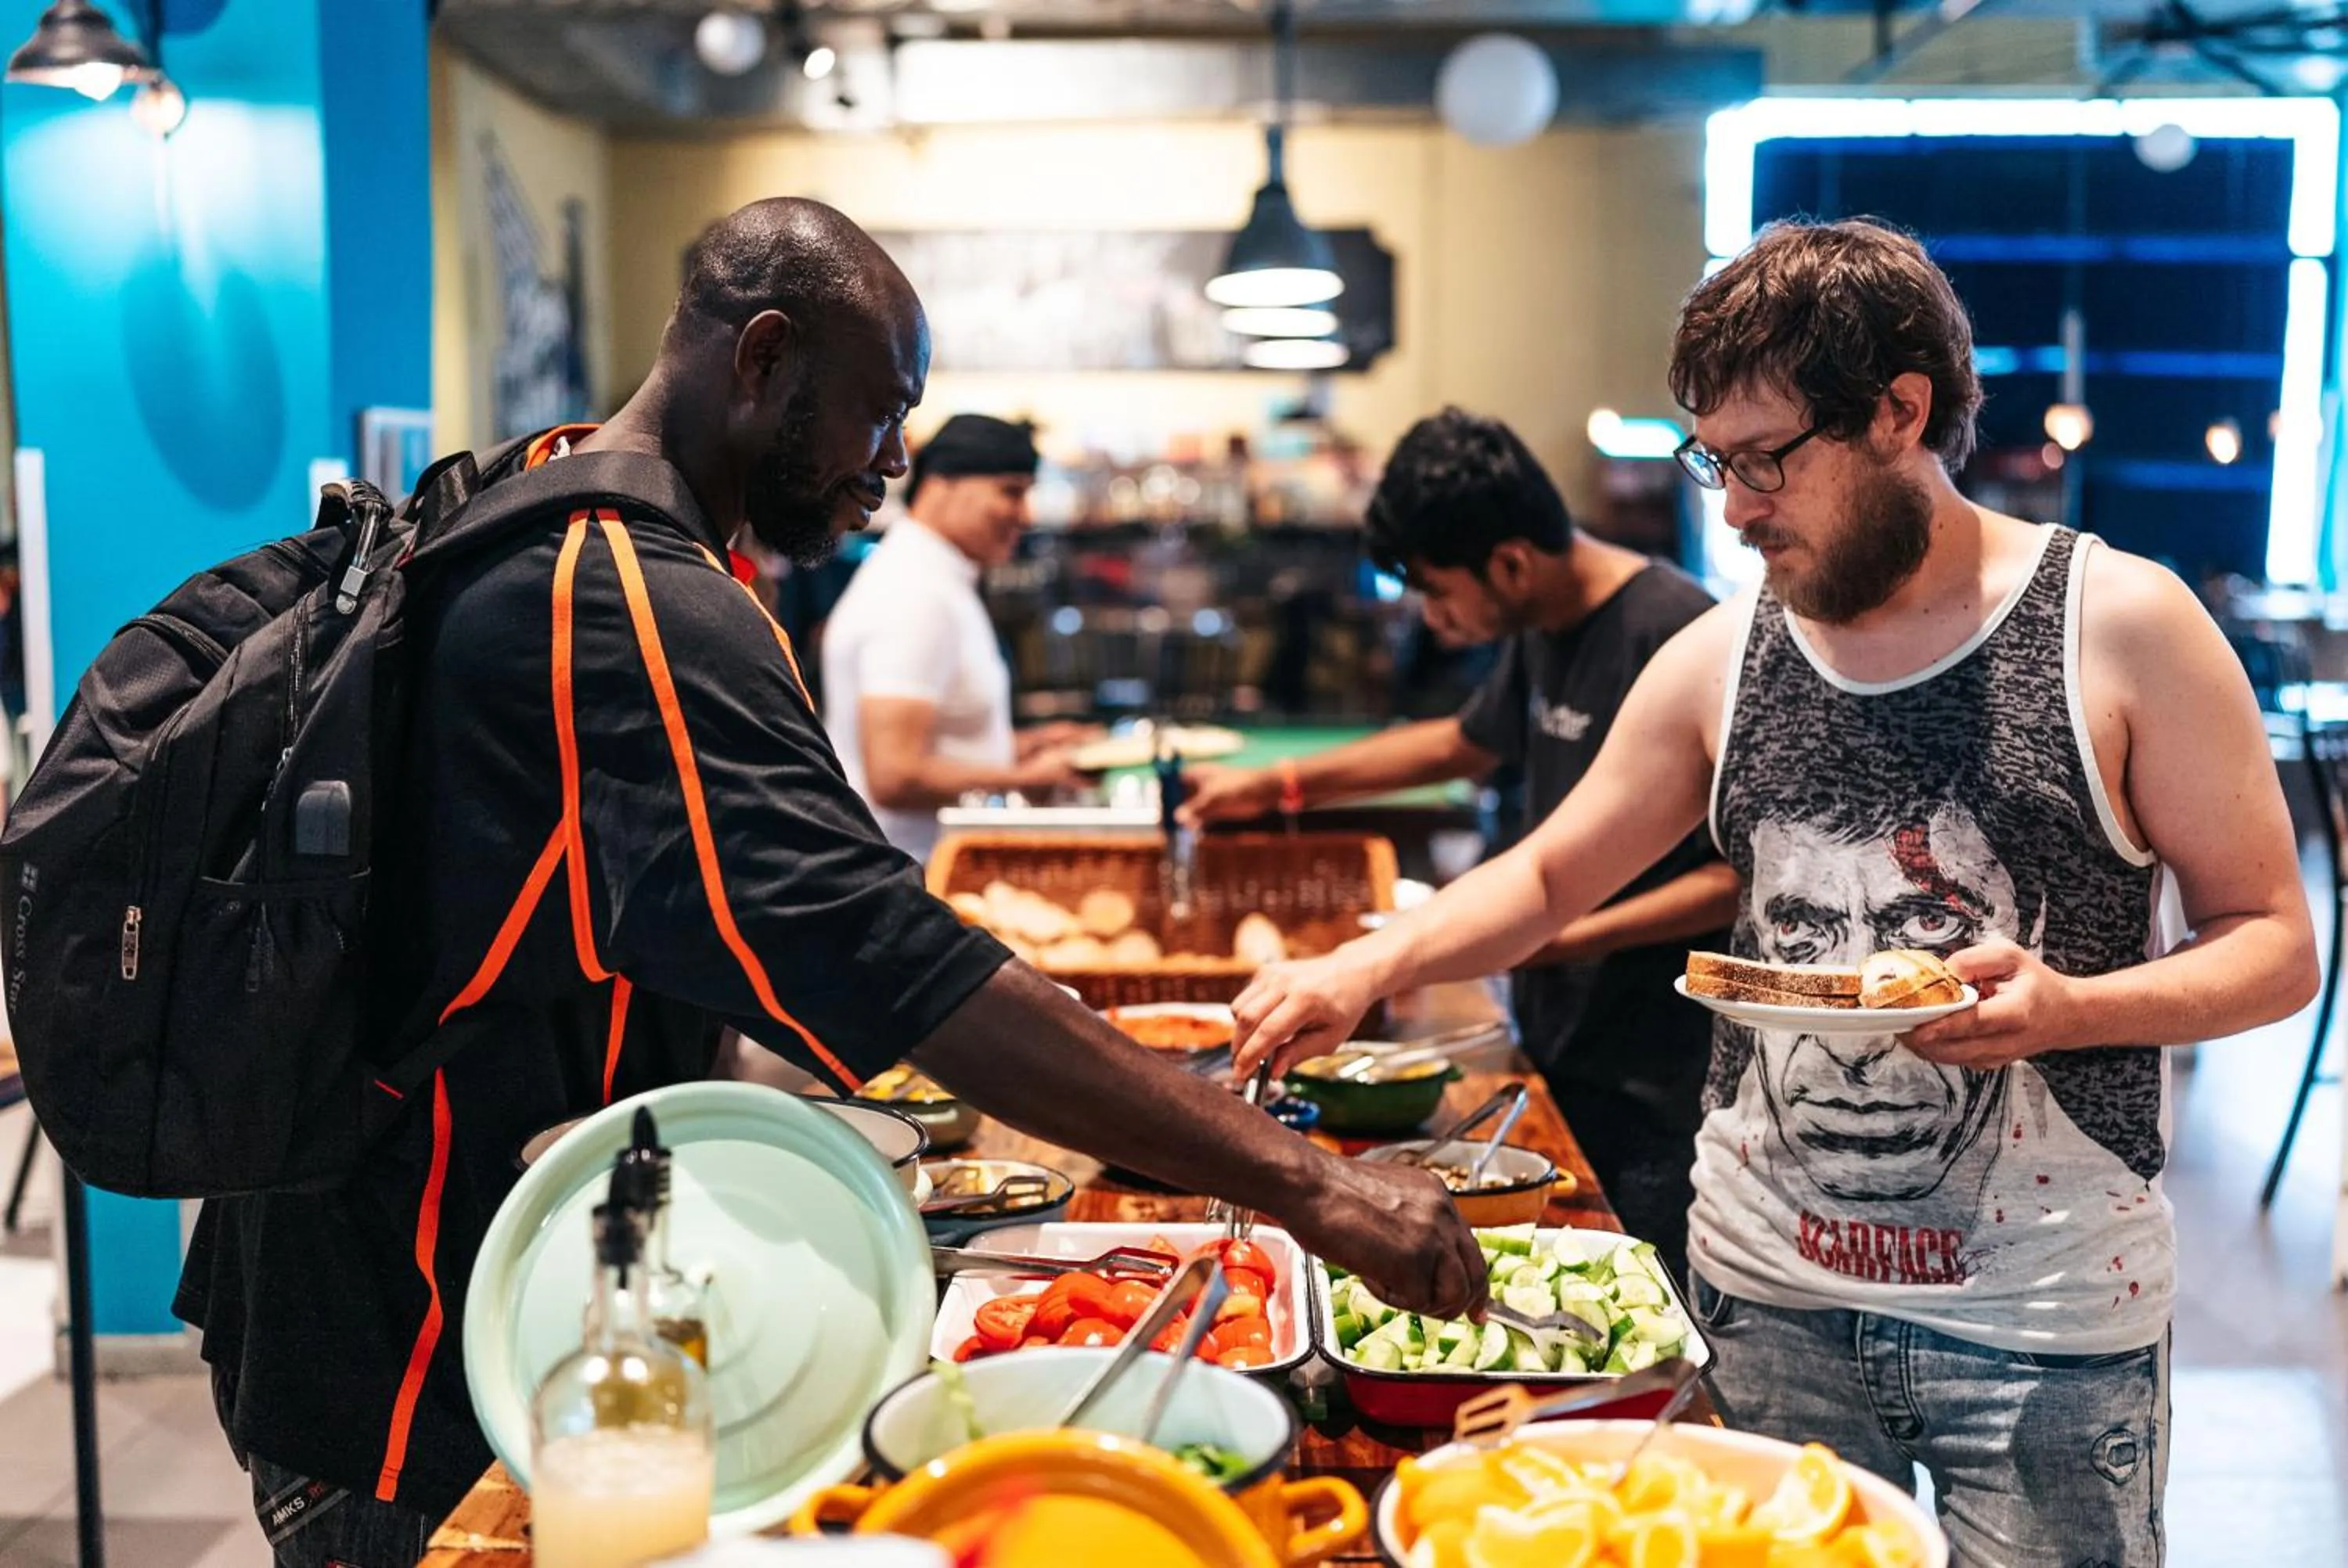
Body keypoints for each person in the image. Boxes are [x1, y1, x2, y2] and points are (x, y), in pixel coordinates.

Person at [178, 198, 1485, 1568]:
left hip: (452, 1301)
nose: (897, 457)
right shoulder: (625, 597)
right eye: (884, 408)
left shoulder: (546, 500)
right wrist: (1316, 1187)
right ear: (763, 359)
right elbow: (895, 961)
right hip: (408, 1368)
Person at [1225, 218, 2317, 1566]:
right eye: (1715, 460)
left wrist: (2071, 1008)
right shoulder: (1721, 653)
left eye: (1764, 459)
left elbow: (2274, 942)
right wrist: (1361, 967)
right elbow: (1553, 870)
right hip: (1765, 1294)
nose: (1734, 507)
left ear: (1900, 413)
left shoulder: (2123, 626)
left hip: (2045, 1325)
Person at [1179, 409, 1739, 1282]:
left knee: (1634, 1278)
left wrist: (1557, 936)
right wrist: (1276, 786)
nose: (1435, 618)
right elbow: (1461, 743)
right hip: (1562, 1026)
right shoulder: (1543, 623)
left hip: (1656, 1061)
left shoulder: (1670, 632)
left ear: (1509, 563)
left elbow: (1733, 880)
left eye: (1439, 592)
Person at [822, 413, 1093, 861]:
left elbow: (937, 743)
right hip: (909, 872)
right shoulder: (914, 591)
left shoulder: (936, 577)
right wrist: (1030, 779)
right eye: (1011, 492)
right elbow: (895, 775)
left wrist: (1027, 747)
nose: (1026, 515)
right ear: (941, 484)